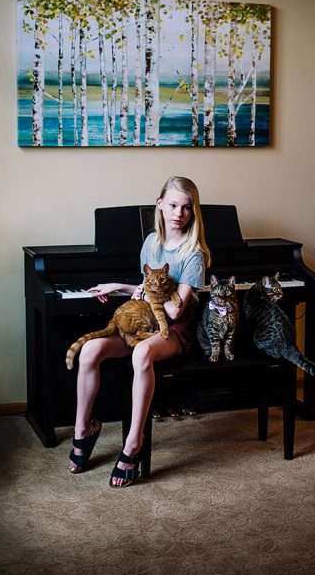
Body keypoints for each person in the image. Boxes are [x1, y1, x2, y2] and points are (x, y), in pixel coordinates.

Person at [68, 176, 211, 487]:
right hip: (146, 321)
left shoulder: (193, 253)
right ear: (159, 204)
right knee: (90, 350)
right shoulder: (151, 243)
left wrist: (144, 294)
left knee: (143, 351)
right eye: (173, 205)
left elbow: (174, 309)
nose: (179, 213)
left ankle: (134, 442)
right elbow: (149, 291)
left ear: (193, 212)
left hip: (175, 329)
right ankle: (83, 429)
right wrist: (119, 286)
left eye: (186, 208)